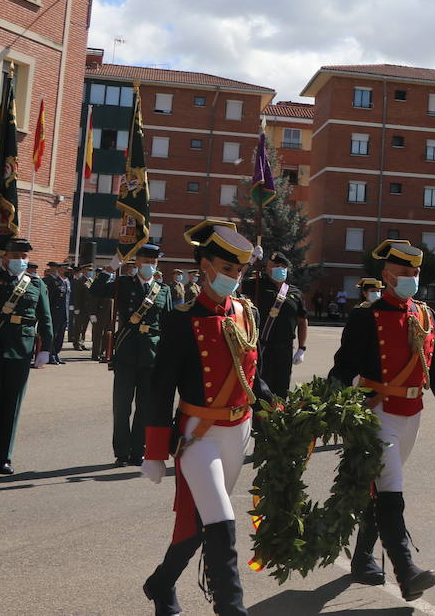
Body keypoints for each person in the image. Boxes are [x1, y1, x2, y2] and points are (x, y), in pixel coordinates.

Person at [141, 220, 273, 616]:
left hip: (239, 431)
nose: (234, 278)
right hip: (198, 436)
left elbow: (254, 378)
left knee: (200, 524)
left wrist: (278, 413)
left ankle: (160, 584)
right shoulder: (183, 319)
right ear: (206, 266)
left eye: (239, 271)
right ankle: (231, 607)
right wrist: (153, 451)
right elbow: (161, 388)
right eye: (227, 269)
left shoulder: (246, 312)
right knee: (221, 521)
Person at [329, 240, 435, 601]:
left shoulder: (426, 315)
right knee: (391, 488)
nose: (412, 279)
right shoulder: (365, 317)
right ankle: (407, 572)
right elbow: (343, 368)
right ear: (387, 276)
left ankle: (361, 557)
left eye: (416, 273)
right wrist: (333, 407)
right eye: (405, 273)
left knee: (382, 489)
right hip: (378, 413)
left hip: (411, 416)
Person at [0, 237, 52, 475]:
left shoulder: (36, 285)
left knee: (12, 406)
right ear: (5, 258)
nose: (20, 261)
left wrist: (46, 348)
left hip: (21, 350)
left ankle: (3, 458)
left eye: (24, 257)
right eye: (16, 257)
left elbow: (45, 318)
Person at [112, 243, 173, 467]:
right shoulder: (124, 284)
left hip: (151, 355)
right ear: (136, 262)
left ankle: (138, 451)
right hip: (126, 353)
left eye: (153, 262)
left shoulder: (163, 290)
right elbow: (96, 291)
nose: (149, 265)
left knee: (145, 407)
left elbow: (167, 323)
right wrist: (111, 268)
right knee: (122, 406)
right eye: (145, 261)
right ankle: (122, 452)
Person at [243, 251, 308, 399]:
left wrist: (302, 348)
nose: (281, 269)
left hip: (285, 349)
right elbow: (236, 282)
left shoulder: (295, 292)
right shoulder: (257, 285)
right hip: (262, 347)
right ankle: (259, 422)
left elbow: (302, 320)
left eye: (283, 266)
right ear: (267, 269)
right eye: (276, 266)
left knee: (281, 390)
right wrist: (250, 261)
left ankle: (278, 419)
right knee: (260, 391)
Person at [44, 262, 70, 364]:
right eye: (64, 269)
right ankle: (50, 355)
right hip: (55, 312)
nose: (66, 271)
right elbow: (49, 299)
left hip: (63, 313)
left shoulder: (64, 281)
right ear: (59, 269)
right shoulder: (52, 282)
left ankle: (56, 354)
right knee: (53, 335)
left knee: (60, 336)